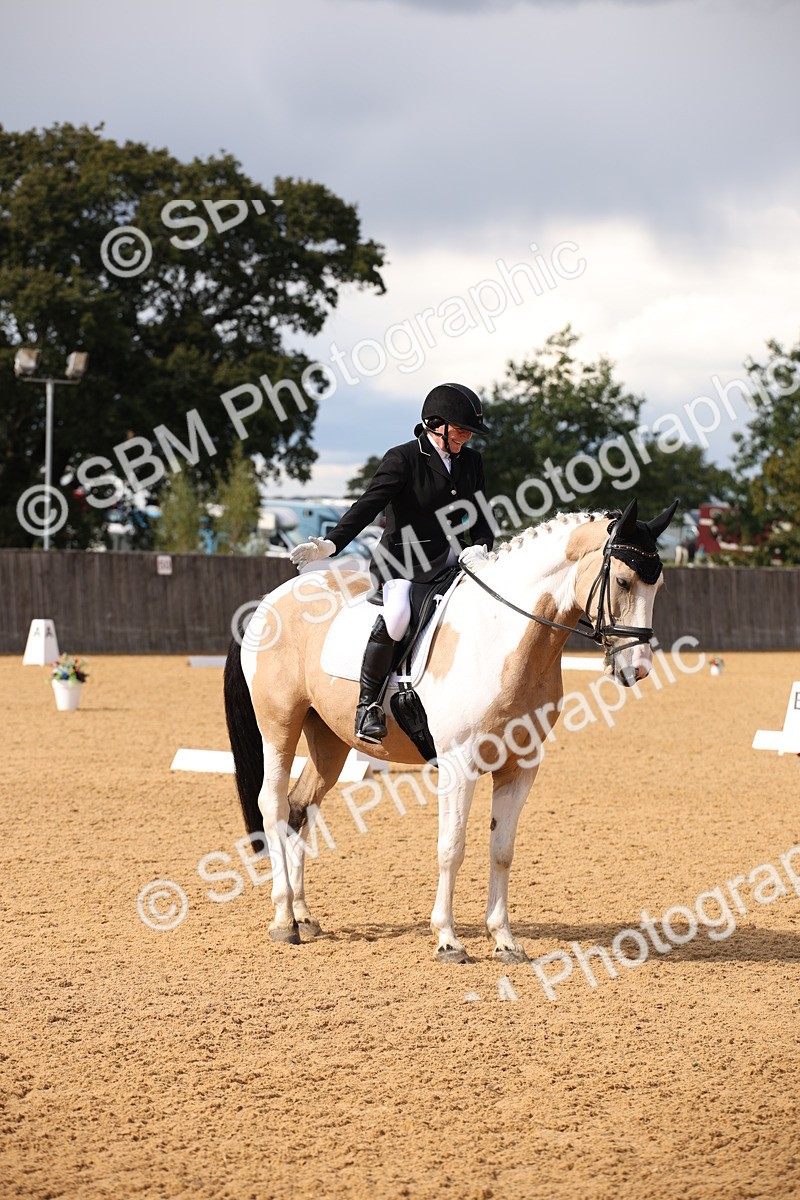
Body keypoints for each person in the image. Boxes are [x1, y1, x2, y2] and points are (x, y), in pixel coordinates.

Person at [289, 383, 494, 743]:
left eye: (469, 432)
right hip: (401, 559)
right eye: (461, 430)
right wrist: (332, 543)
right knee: (398, 615)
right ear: (436, 425)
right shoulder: (403, 458)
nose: (466, 438)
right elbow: (368, 504)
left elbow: (478, 514)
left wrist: (481, 547)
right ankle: (367, 705)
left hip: (448, 557)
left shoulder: (471, 462)